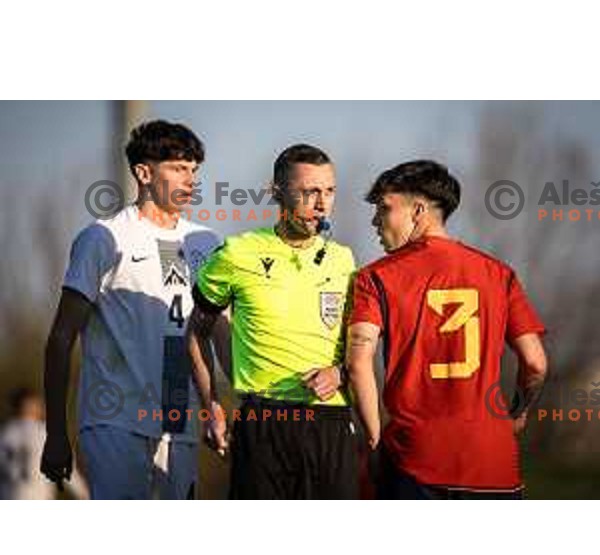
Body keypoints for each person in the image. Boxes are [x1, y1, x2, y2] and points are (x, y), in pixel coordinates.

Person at [41, 120, 228, 499]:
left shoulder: (206, 243)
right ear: (143, 172)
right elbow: (61, 338)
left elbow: (207, 336)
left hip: (181, 422)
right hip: (115, 420)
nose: (190, 179)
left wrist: (212, 407)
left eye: (194, 169)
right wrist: (57, 433)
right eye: (178, 167)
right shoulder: (103, 237)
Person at [347, 160, 547, 499]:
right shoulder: (500, 274)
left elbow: (357, 364)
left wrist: (373, 439)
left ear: (419, 210)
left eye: (384, 208)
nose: (374, 221)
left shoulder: (375, 277)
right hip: (495, 464)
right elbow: (536, 363)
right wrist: (519, 411)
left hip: (414, 462)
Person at [187, 143, 359, 499]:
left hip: (331, 422)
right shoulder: (236, 253)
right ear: (276, 192)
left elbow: (362, 347)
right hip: (263, 424)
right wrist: (212, 406)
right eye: (309, 192)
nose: (322, 203)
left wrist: (339, 373)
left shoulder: (344, 260)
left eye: (329, 191)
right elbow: (197, 333)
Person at [0, 388, 88, 499]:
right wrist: (84, 493)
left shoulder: (4, 433)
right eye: (38, 404)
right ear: (29, 406)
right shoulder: (45, 433)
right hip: (37, 496)